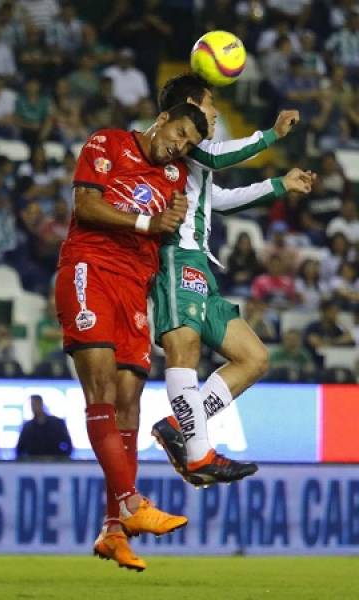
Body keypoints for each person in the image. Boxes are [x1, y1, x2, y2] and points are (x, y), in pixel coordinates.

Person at [55, 102, 208, 571]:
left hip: (134, 286)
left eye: (188, 145)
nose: (179, 147)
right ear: (161, 120)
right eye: (179, 133)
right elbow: (85, 204)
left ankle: (113, 531)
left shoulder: (176, 179)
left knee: (129, 401)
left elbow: (167, 230)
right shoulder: (108, 143)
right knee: (100, 388)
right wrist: (148, 222)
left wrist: (172, 221)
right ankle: (128, 501)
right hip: (91, 270)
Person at [149, 74, 315, 487]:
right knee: (183, 351)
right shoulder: (180, 143)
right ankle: (199, 451)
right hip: (176, 254)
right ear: (188, 107)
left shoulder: (195, 159)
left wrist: (278, 185)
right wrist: (271, 135)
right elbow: (220, 158)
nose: (217, 111)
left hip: (202, 265)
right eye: (210, 104)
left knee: (255, 358)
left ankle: (179, 426)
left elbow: (216, 198)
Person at [16, 394, 72, 459]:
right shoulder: (27, 427)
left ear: (41, 404)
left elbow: (68, 445)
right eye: (32, 405)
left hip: (55, 463)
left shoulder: (57, 424)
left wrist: (62, 458)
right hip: (33, 464)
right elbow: (19, 449)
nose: (34, 407)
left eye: (36, 404)